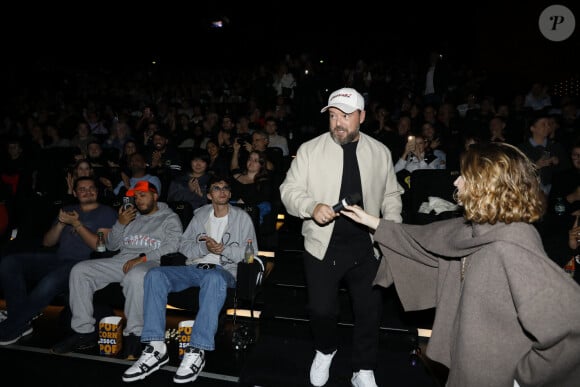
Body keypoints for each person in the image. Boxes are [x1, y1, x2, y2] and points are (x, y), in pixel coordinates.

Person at [340, 142, 580, 387]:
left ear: (487, 185)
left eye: (465, 176)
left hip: (495, 374)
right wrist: (372, 221)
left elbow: (571, 326)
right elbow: (422, 239)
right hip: (467, 362)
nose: (456, 182)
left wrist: (523, 379)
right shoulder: (476, 229)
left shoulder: (513, 244)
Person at [279, 87, 403, 387]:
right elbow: (288, 190)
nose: (338, 123)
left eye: (345, 116)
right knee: (321, 310)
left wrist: (391, 231)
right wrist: (311, 206)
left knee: (369, 312)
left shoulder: (380, 152)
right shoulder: (310, 150)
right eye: (333, 116)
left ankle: (362, 368)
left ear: (361, 116)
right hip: (323, 246)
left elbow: (391, 194)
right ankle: (325, 349)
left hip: (367, 247)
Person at [122, 175, 257, 383]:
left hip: (224, 271)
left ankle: (197, 349)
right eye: (216, 187)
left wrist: (223, 250)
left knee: (213, 278)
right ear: (209, 194)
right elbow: (183, 246)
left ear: (229, 194)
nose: (222, 191)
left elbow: (251, 254)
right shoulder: (200, 215)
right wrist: (204, 247)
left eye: (225, 188)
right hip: (194, 267)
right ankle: (155, 347)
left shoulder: (242, 218)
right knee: (154, 275)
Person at [51, 181, 182, 358]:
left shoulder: (169, 218)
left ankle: (135, 334)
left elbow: (173, 246)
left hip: (152, 262)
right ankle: (84, 331)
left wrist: (142, 258)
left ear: (155, 196)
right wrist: (120, 224)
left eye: (142, 195)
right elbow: (111, 245)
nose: (138, 200)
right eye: (136, 197)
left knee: (136, 275)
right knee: (80, 270)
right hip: (121, 261)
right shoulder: (130, 216)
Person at [0, 176, 117, 344]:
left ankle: (11, 327)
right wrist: (61, 224)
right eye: (82, 189)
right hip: (58, 258)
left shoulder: (106, 212)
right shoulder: (68, 209)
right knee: (10, 262)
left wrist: (77, 224)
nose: (87, 191)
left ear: (97, 192)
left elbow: (99, 246)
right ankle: (20, 321)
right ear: (75, 193)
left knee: (50, 281)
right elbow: (48, 242)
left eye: (91, 188)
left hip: (84, 264)